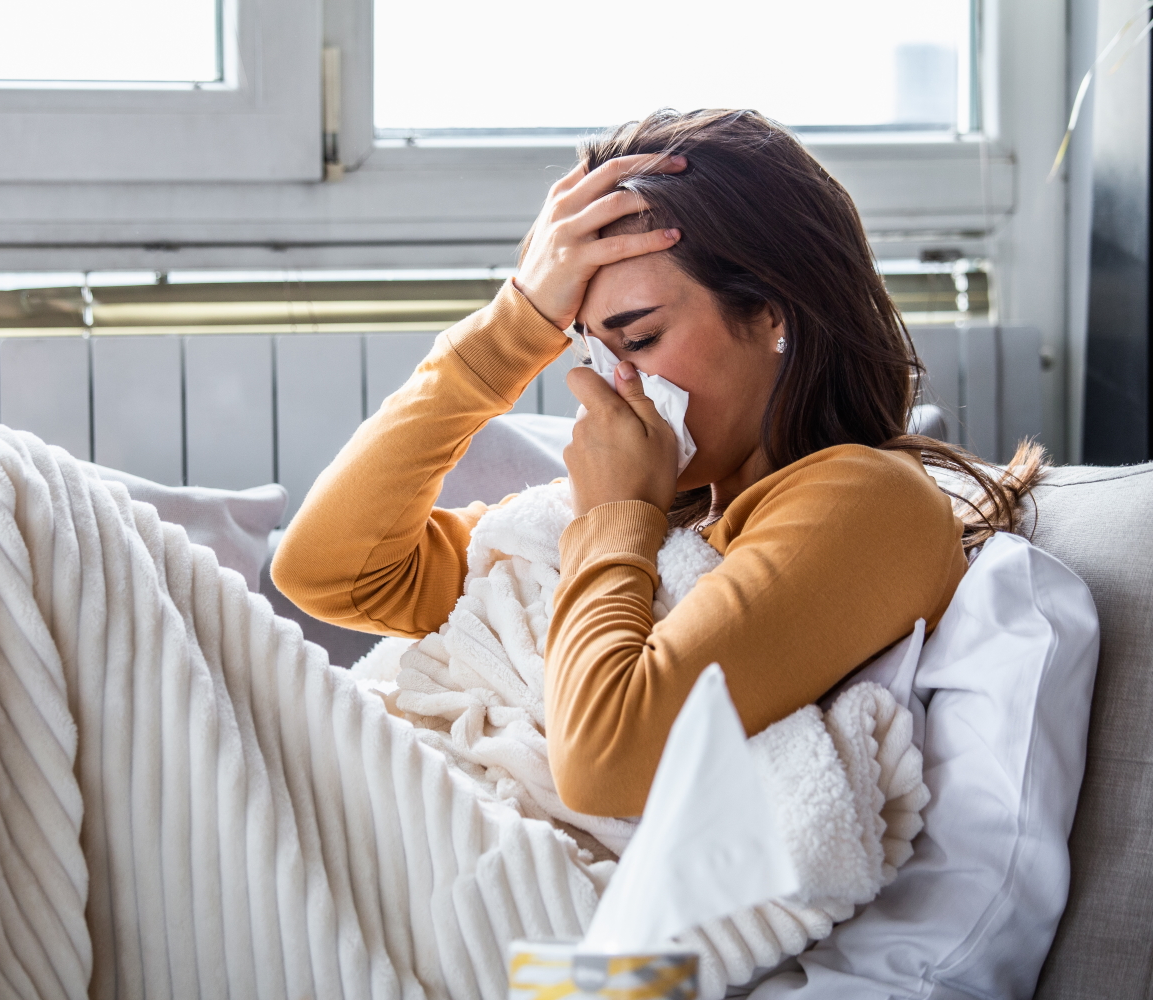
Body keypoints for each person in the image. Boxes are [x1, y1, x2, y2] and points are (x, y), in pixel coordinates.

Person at [271, 108, 1041, 820]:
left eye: (637, 340)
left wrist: (614, 517)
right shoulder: (665, 520)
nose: (610, 386)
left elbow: (606, 765)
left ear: (773, 312)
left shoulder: (867, 500)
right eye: (589, 349)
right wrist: (516, 321)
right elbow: (328, 573)